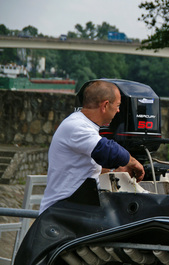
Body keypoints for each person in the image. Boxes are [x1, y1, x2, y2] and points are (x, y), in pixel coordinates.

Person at [39, 80, 145, 214]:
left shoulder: (86, 126)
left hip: (76, 207)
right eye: (117, 105)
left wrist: (116, 171)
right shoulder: (76, 125)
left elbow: (86, 169)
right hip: (60, 211)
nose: (118, 110)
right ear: (105, 105)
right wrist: (133, 162)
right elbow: (106, 150)